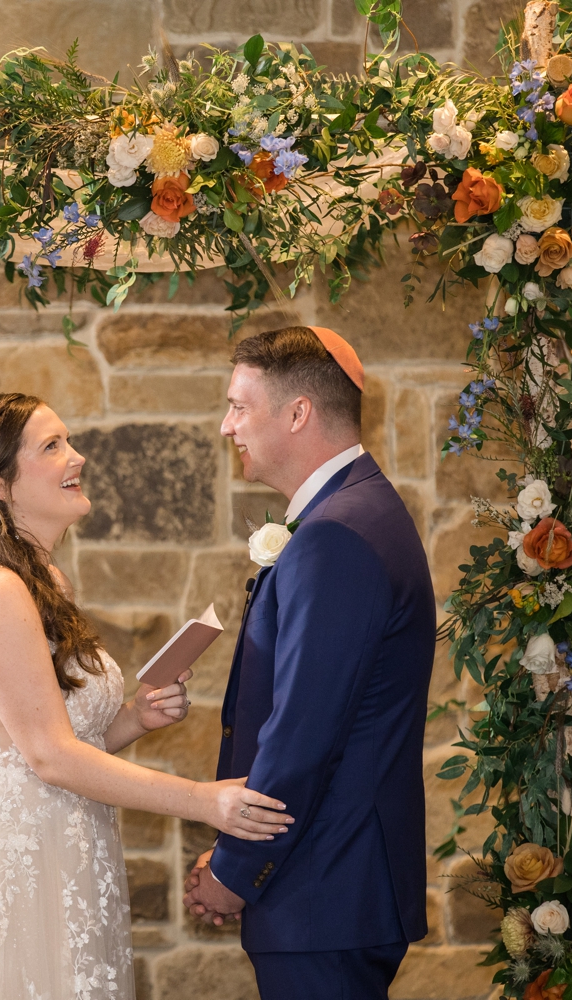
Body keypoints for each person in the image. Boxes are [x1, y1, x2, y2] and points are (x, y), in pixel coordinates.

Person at [0, 393, 292, 1000]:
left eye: (69, 440)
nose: (77, 457)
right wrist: (205, 803)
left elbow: (49, 739)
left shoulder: (43, 583)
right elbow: (48, 756)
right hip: (11, 879)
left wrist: (135, 719)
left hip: (68, 862)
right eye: (52, 446)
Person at [182, 326, 435, 997]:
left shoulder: (336, 535)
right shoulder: (353, 511)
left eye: (239, 406)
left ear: (298, 414)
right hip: (328, 882)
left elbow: (301, 735)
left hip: (324, 885)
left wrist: (234, 869)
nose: (225, 425)